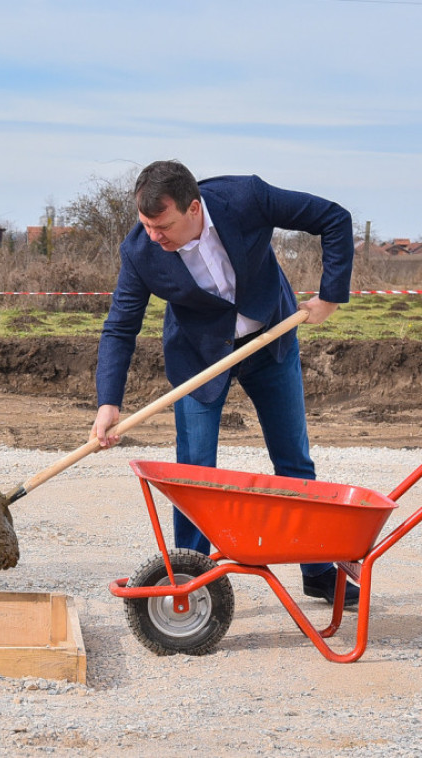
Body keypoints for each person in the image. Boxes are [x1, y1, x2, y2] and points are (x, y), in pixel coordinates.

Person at [90, 160, 359, 607]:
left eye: (164, 226)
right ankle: (190, 582)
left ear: (194, 208)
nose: (155, 237)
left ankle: (317, 571)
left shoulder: (245, 198)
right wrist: (108, 403)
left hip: (270, 339)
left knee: (293, 460)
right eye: (147, 225)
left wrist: (331, 294)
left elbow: (333, 218)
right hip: (199, 358)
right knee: (194, 474)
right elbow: (120, 326)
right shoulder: (140, 250)